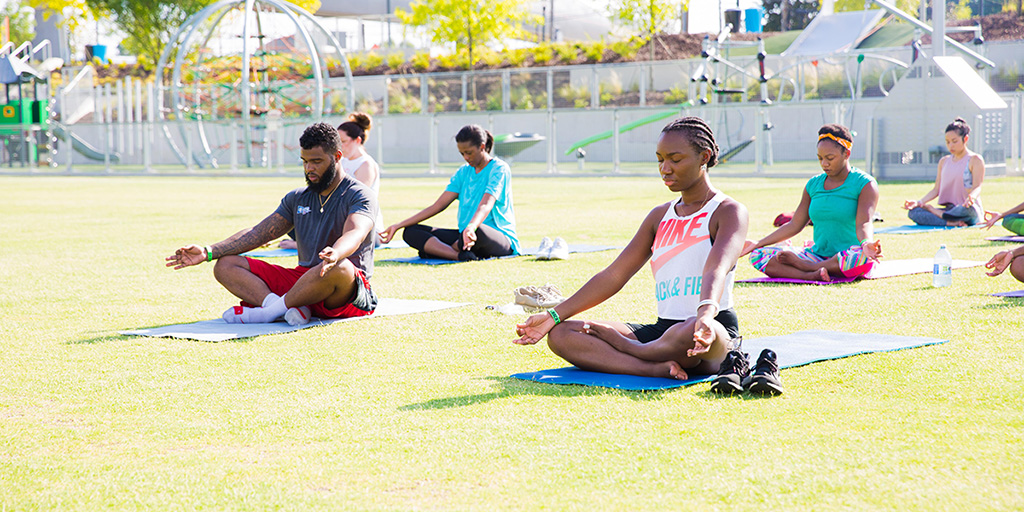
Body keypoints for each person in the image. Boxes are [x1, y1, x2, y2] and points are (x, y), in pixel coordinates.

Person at [513, 116, 748, 381]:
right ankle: (653, 367)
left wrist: (705, 314)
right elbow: (614, 275)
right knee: (562, 334)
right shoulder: (659, 216)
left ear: (704, 157)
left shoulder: (728, 211)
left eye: (675, 159)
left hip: (710, 329)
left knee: (687, 330)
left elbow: (717, 268)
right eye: (660, 160)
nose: (665, 169)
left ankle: (631, 349)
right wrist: (553, 316)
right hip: (663, 332)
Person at [166, 122, 378, 325]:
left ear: (337, 157)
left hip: (344, 292)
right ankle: (285, 308)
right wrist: (208, 252)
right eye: (304, 161)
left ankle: (269, 313)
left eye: (316, 161)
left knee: (340, 267)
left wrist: (336, 252)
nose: (309, 168)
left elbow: (356, 231)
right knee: (226, 264)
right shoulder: (297, 197)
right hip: (303, 282)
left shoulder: (360, 194)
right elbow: (259, 233)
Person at [743, 124, 881, 281]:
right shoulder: (813, 184)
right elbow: (795, 224)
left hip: (847, 256)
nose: (824, 164)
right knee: (758, 255)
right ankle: (811, 274)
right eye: (820, 158)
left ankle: (807, 267)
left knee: (860, 257)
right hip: (816, 255)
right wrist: (757, 244)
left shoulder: (865, 184)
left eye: (830, 158)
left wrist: (866, 243)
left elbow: (864, 222)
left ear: (846, 154)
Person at [379, 124, 520, 261]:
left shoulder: (499, 169)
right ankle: (458, 255)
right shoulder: (463, 171)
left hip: (494, 237)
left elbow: (486, 204)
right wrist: (398, 225)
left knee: (479, 231)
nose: (466, 157)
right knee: (410, 232)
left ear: (482, 147)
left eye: (469, 153)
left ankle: (439, 251)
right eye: (462, 153)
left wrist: (471, 227)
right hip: (464, 235)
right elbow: (438, 206)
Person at [903, 117, 985, 227]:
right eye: (948, 142)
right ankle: (950, 222)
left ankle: (937, 213)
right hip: (949, 210)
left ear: (965, 139)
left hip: (966, 209)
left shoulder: (975, 160)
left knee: (965, 210)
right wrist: (919, 202)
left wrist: (972, 197)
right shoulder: (944, 161)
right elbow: (936, 190)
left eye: (954, 141)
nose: (951, 145)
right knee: (914, 212)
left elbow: (977, 187)